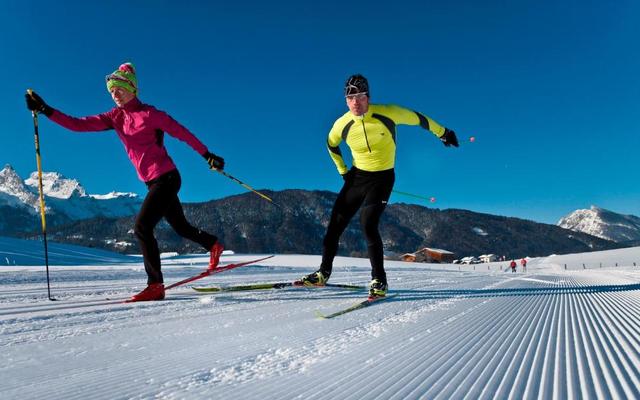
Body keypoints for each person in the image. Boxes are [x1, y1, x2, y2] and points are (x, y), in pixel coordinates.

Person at [25, 62, 225, 302]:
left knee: (142, 227)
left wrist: (207, 155)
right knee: (181, 227)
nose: (114, 94)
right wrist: (46, 109)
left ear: (132, 88)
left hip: (168, 178)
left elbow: (183, 133)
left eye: (118, 88)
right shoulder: (115, 117)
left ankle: (155, 285)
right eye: (111, 91)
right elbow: (78, 125)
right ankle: (213, 244)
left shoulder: (151, 114)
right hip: (152, 183)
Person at [300, 74, 459, 298]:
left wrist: (443, 133)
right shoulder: (341, 125)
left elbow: (419, 119)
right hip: (357, 177)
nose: (356, 102)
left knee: (368, 224)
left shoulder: (388, 112)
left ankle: (379, 281)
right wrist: (343, 171)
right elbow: (331, 145)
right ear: (346, 101)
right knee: (335, 224)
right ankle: (323, 273)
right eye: (351, 97)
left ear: (368, 97)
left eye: (360, 96)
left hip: (383, 177)